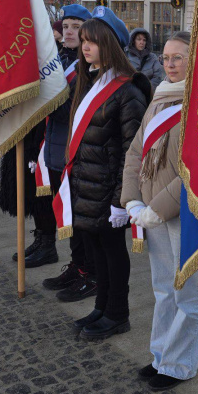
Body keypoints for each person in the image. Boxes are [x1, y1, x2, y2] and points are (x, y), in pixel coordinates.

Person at [121, 32, 198, 391]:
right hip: (151, 211)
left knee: (189, 294)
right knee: (163, 290)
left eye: (178, 57)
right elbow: (135, 152)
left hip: (186, 213)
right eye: (166, 57)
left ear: (195, 60)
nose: (169, 64)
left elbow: (197, 168)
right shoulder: (160, 96)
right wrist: (132, 200)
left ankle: (179, 365)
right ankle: (161, 356)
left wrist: (157, 208)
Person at [63, 18, 149, 341]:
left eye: (93, 41)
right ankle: (101, 307)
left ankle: (117, 313)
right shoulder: (90, 82)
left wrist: (120, 200)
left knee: (113, 252)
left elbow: (132, 150)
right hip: (87, 185)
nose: (85, 47)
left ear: (109, 44)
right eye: (83, 40)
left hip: (110, 190)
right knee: (96, 251)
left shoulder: (127, 90)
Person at [41, 5, 100, 296]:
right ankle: (77, 267)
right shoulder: (60, 61)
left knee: (81, 222)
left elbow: (73, 113)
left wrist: (45, 97)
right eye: (65, 26)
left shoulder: (87, 70)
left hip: (75, 155)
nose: (69, 31)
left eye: (76, 26)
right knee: (68, 219)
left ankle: (89, 273)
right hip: (55, 152)